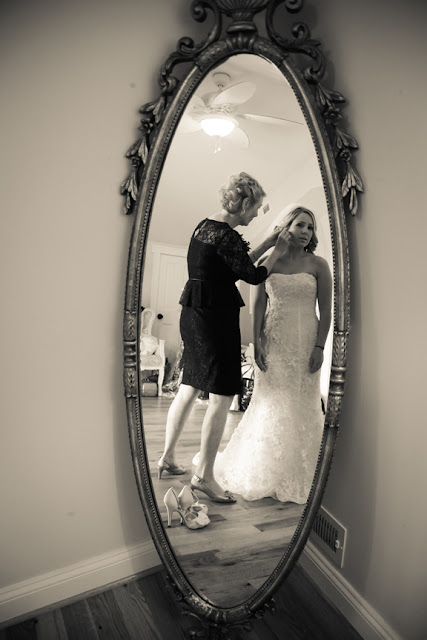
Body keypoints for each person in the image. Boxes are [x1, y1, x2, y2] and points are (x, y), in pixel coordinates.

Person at [157, 172, 290, 503]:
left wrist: (268, 241)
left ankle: (167, 457)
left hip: (194, 315)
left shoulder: (205, 227)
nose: (256, 215)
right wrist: (279, 250)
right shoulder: (227, 236)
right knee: (220, 396)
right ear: (244, 203)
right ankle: (204, 477)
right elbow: (253, 273)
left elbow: (232, 265)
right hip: (214, 319)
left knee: (189, 386)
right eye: (256, 208)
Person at [213, 205, 333, 504]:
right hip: (275, 341)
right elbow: (257, 308)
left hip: (306, 342)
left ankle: (301, 468)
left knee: (303, 401)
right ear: (285, 227)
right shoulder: (269, 262)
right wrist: (257, 343)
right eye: (300, 225)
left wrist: (320, 346)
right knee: (271, 401)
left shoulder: (319, 264)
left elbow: (327, 311)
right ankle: (265, 467)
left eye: (310, 227)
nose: (306, 232)